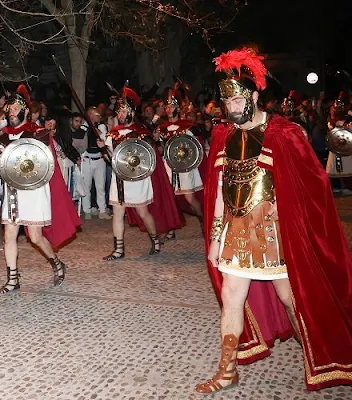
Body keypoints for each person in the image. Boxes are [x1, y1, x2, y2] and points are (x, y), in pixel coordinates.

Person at [197, 47, 352, 393]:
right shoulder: (223, 136)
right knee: (232, 297)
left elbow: (312, 187)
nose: (232, 109)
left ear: (254, 96)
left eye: (238, 102)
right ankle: (227, 370)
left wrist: (296, 225)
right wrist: (216, 237)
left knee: (292, 300)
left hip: (275, 234)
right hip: (237, 232)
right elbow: (220, 191)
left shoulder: (284, 133)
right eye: (227, 104)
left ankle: (319, 355)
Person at [0, 85, 81, 294]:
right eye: (9, 107)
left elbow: (43, 162)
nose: (11, 111)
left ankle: (56, 263)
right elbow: (3, 169)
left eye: (16, 108)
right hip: (12, 191)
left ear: (25, 111)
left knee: (35, 237)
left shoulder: (38, 134)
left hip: (33, 190)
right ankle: (12, 280)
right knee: (9, 234)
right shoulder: (2, 138)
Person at [104, 88, 182, 259]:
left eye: (124, 110)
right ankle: (118, 250)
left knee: (142, 212)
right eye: (119, 111)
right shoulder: (113, 133)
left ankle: (154, 240)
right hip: (119, 178)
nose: (121, 114)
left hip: (137, 178)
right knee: (118, 212)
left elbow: (148, 157)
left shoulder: (141, 133)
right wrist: (104, 148)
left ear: (131, 112)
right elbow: (111, 158)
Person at [155, 94, 204, 239]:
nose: (169, 109)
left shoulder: (188, 127)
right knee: (170, 197)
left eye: (171, 106)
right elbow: (161, 151)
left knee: (189, 197)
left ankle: (202, 220)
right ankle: (171, 228)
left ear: (177, 108)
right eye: (167, 107)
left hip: (185, 165)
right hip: (169, 165)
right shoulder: (162, 128)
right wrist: (157, 141)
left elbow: (196, 147)